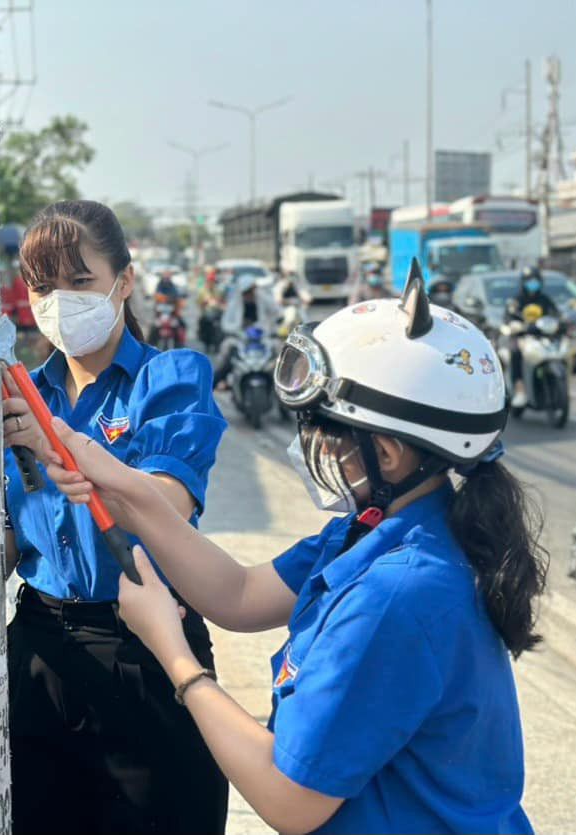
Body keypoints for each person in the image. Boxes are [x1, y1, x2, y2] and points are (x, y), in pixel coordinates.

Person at [43, 272, 546, 834]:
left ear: (386, 450)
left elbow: (290, 801)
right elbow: (237, 594)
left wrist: (174, 655)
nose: (313, 448)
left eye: (324, 430)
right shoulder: (381, 530)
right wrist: (115, 478)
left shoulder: (396, 595)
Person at [1, 200, 229, 833]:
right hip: (41, 652)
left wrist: (59, 447)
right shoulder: (20, 394)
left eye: (80, 282)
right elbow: (8, 530)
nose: (60, 302)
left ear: (123, 283)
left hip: (148, 650)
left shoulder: (169, 379)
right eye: (43, 286)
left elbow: (163, 507)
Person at [506, 265, 561, 408]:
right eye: (529, 280)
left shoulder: (544, 299)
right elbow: (508, 317)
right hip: (522, 336)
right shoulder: (516, 300)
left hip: (542, 337)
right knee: (515, 352)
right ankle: (520, 390)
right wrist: (513, 324)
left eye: (535, 280)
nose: (532, 283)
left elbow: (555, 314)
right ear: (523, 282)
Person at [212, 273, 279, 389]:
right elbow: (225, 324)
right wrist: (239, 328)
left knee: (279, 349)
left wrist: (270, 325)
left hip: (262, 337)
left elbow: (276, 312)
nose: (249, 294)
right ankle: (218, 382)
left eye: (251, 290)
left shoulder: (262, 298)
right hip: (240, 338)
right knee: (227, 349)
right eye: (247, 291)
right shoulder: (234, 303)